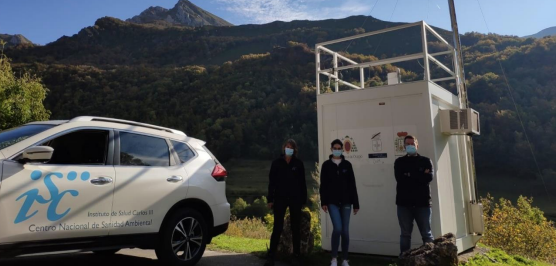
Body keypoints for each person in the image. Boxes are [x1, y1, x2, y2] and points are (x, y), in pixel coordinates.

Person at [265, 139, 307, 266]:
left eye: (291, 147)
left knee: (295, 228)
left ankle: (296, 256)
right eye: (287, 147)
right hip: (280, 198)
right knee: (277, 227)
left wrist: (303, 200)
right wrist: (270, 199)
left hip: (295, 199)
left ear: (294, 150)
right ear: (283, 148)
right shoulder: (276, 163)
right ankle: (271, 257)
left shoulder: (298, 164)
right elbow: (271, 182)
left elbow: (302, 184)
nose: (289, 149)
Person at [320, 139, 360, 266]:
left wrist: (356, 204)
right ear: (331, 149)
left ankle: (345, 259)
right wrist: (324, 202)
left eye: (339, 148)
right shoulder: (326, 165)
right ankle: (333, 258)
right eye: (335, 148)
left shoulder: (347, 165)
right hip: (332, 202)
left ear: (342, 149)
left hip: (346, 202)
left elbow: (352, 185)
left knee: (345, 231)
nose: (337, 150)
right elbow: (323, 185)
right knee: (337, 228)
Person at [394, 135, 435, 256]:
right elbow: (400, 179)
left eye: (412, 144)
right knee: (405, 235)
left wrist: (409, 175)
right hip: (404, 204)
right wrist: (420, 175)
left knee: (427, 234)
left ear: (417, 145)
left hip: (423, 204)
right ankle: (404, 260)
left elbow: (429, 177)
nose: (410, 146)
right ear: (404, 146)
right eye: (408, 144)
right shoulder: (399, 162)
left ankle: (431, 260)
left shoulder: (426, 161)